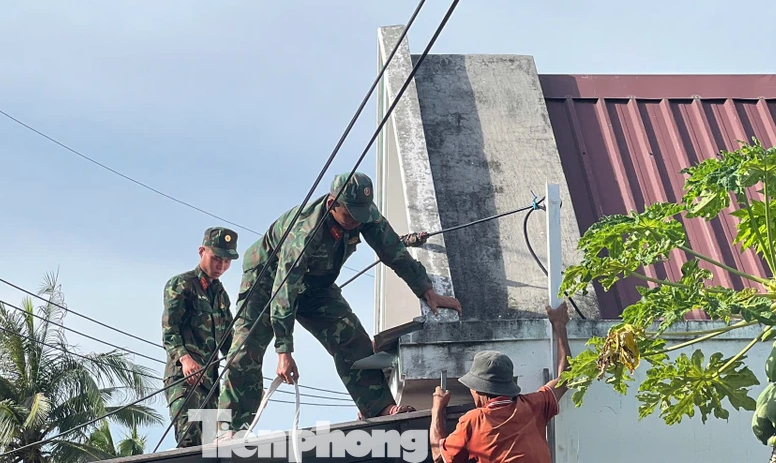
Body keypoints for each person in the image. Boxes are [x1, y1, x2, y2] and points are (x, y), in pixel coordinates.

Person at [217, 172, 462, 435]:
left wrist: (426, 290)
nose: (357, 220)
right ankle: (227, 428)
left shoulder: (364, 213)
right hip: (267, 282)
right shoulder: (304, 232)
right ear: (333, 204)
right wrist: (284, 351)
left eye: (361, 214)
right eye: (351, 215)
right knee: (245, 349)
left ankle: (379, 407)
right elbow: (284, 289)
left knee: (352, 338)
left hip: (317, 286)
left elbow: (393, 250)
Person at [430, 302, 571, 463]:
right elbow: (566, 377)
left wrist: (437, 408)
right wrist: (559, 325)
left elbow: (438, 457)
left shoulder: (473, 421)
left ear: (478, 390)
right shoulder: (533, 405)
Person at [161, 227, 239, 447]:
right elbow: (170, 329)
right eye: (216, 259)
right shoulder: (182, 284)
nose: (221, 267)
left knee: (219, 448)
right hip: (185, 380)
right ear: (201, 251)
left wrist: (246, 375)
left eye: (226, 261)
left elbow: (229, 341)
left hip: (212, 385)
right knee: (191, 445)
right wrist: (184, 358)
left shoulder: (221, 295)